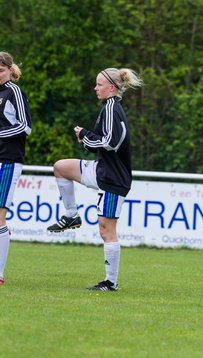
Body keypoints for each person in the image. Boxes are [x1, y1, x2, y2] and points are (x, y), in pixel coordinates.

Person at [47, 67, 143, 291]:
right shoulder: (108, 108)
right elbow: (106, 141)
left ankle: (110, 283)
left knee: (106, 230)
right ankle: (71, 216)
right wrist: (87, 137)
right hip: (102, 169)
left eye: (99, 84)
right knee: (60, 167)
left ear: (111, 87)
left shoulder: (111, 108)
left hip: (113, 178)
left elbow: (111, 142)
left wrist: (85, 136)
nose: (95, 88)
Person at [0, 51, 32, 285]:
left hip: (8, 160)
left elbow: (25, 127)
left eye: (1, 70)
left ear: (10, 70)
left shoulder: (14, 92)